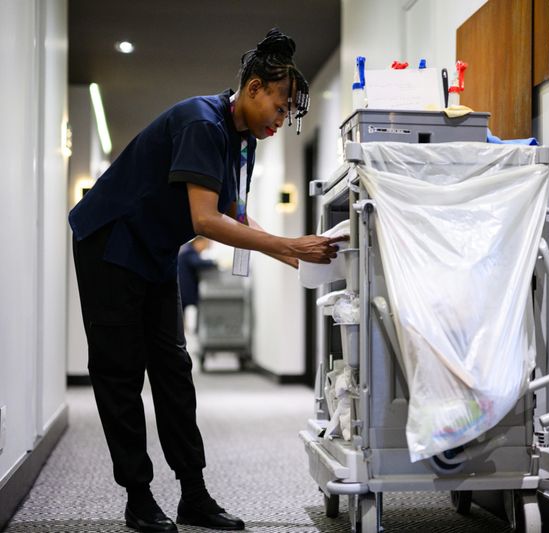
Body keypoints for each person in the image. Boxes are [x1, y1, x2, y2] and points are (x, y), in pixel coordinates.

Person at [69, 28, 345, 532]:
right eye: (281, 108)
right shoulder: (202, 122)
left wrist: (304, 259)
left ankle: (193, 495)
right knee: (122, 372)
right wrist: (288, 246)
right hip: (109, 244)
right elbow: (205, 221)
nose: (283, 120)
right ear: (255, 88)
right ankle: (138, 497)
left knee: (173, 370)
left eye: (289, 114)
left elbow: (235, 215)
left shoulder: (244, 141)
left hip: (153, 251)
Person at [177, 236, 216, 314]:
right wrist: (214, 262)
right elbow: (198, 262)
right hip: (185, 290)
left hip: (183, 290)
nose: (204, 248)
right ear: (199, 242)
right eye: (205, 245)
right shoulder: (189, 252)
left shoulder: (187, 250)